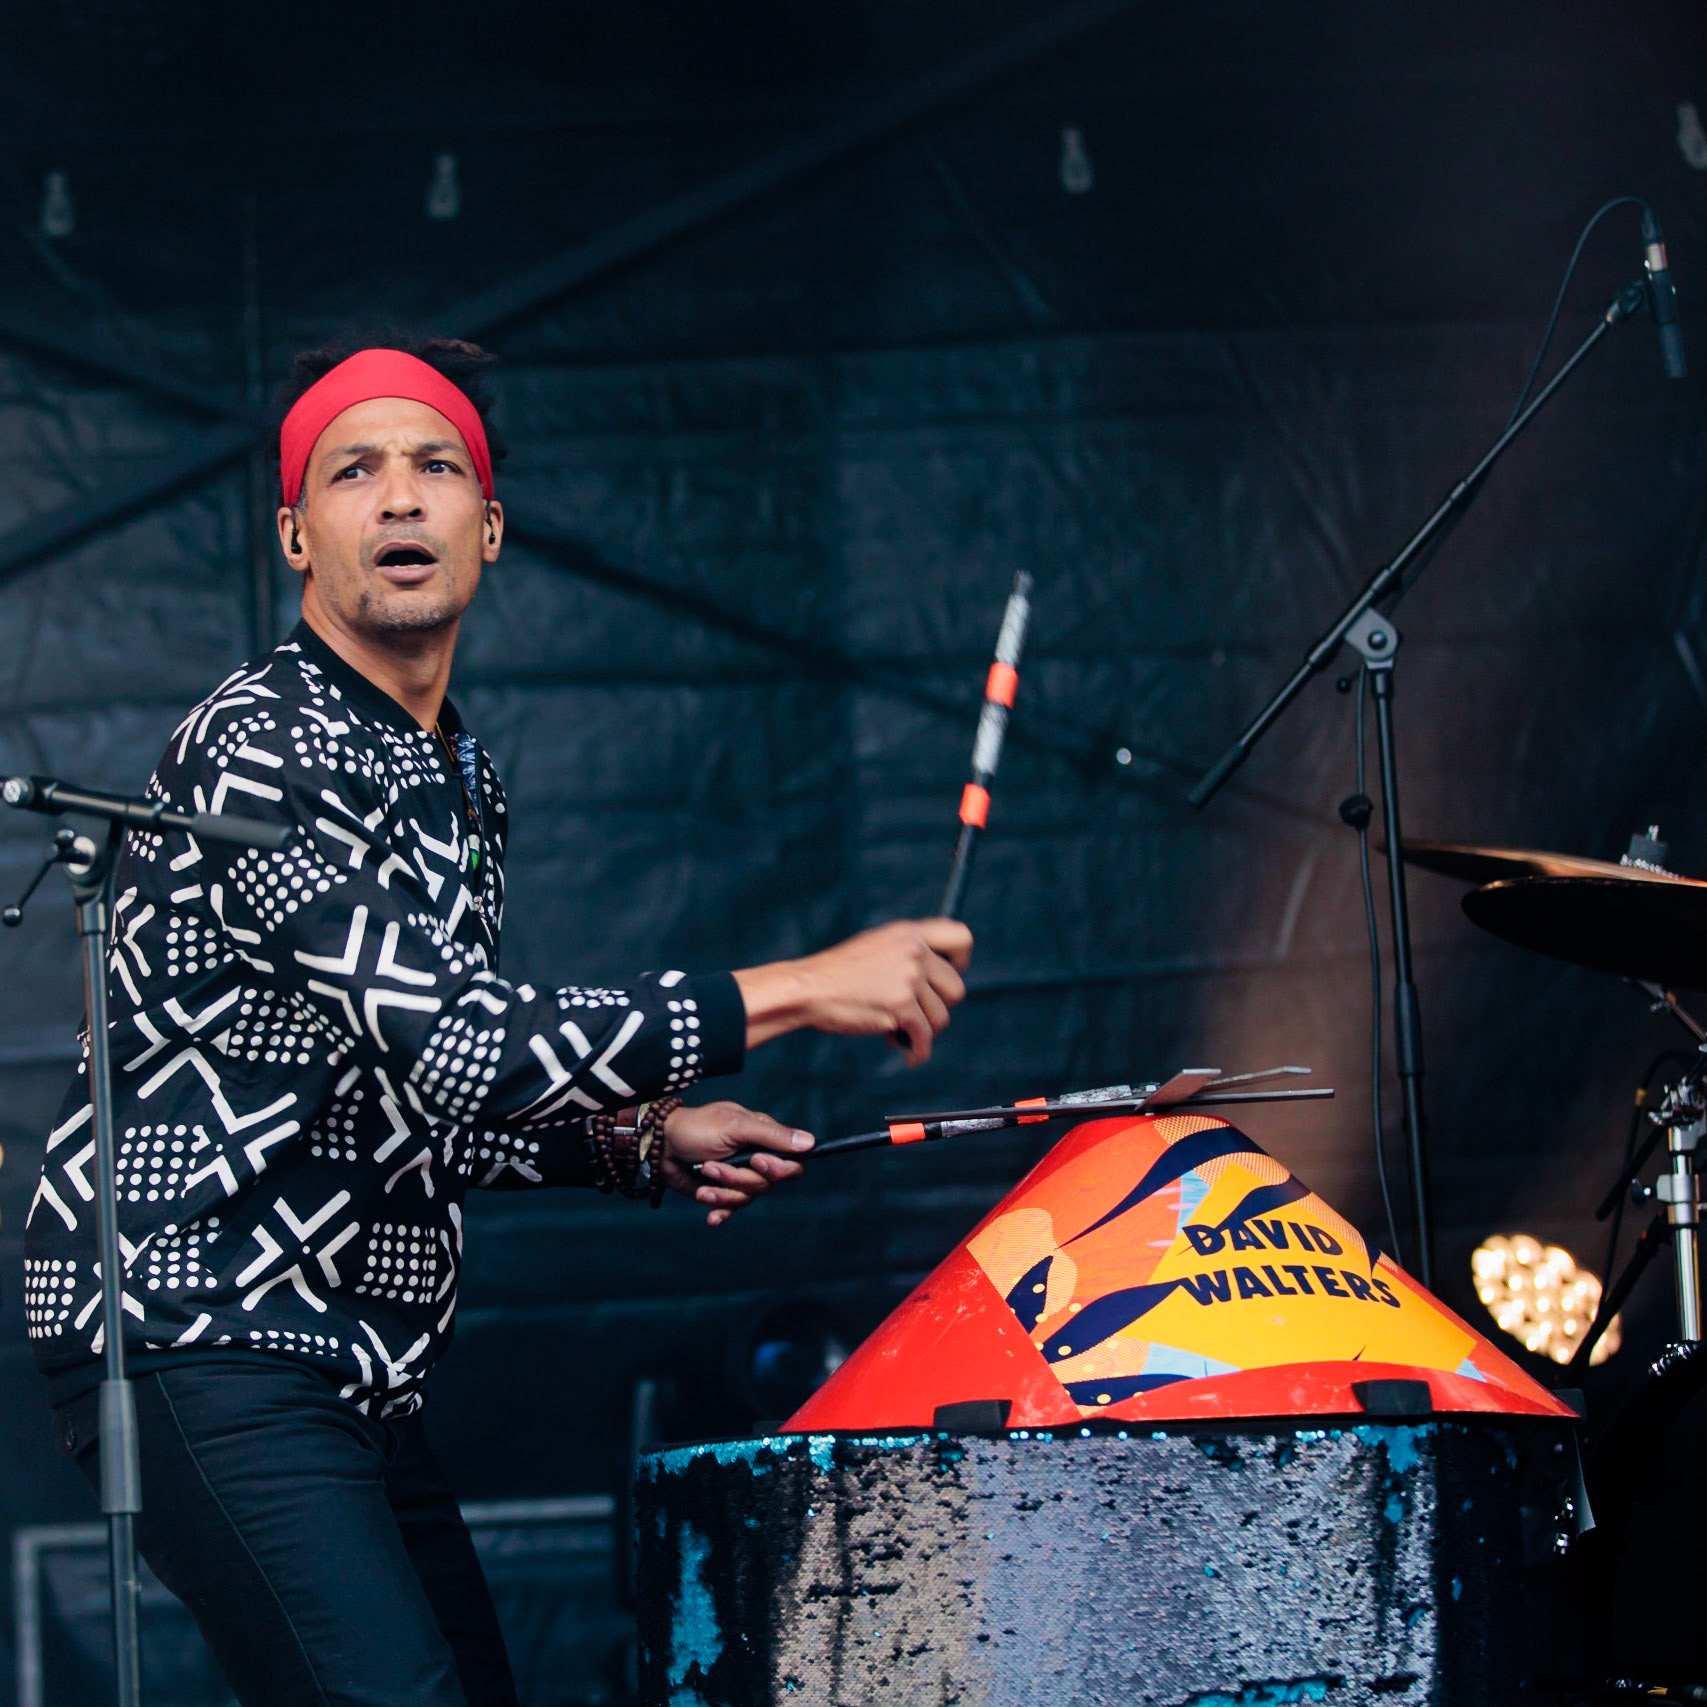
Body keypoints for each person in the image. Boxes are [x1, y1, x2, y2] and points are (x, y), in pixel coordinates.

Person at [22, 338, 973, 1707]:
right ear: (298, 534)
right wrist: (805, 986)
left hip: (345, 1362)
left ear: (492, 527)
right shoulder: (262, 744)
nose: (400, 499)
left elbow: (412, 1092)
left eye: (436, 467)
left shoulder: (457, 774)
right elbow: (464, 1042)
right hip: (195, 1324)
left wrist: (633, 1145)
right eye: (356, 472)